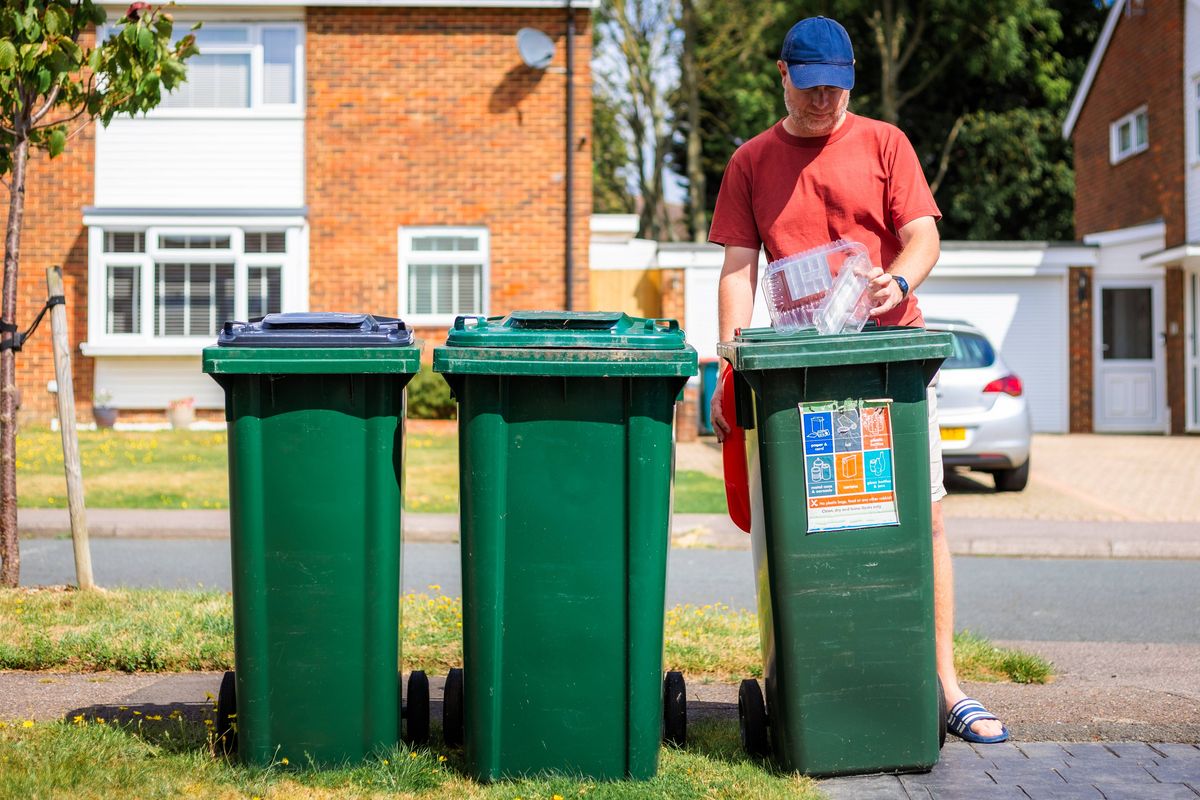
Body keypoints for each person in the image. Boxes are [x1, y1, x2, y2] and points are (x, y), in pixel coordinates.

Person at [707, 15, 1007, 744]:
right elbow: (738, 269)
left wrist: (897, 281)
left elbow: (924, 236)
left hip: (889, 358)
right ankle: (823, 681)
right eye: (810, 87)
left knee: (921, 518)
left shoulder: (884, 143)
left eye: (835, 89)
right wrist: (730, 357)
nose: (823, 102)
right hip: (802, 370)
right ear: (783, 75)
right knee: (816, 525)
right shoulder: (751, 161)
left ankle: (945, 688)